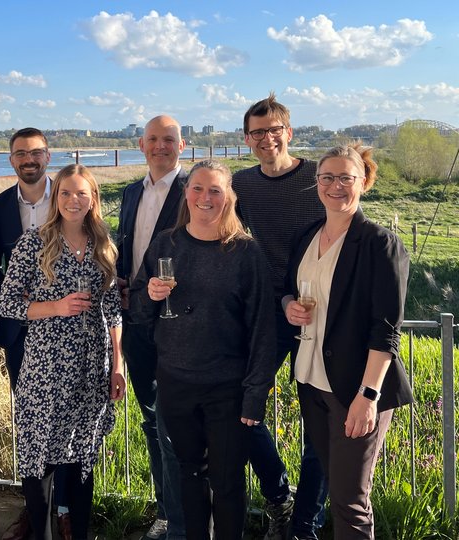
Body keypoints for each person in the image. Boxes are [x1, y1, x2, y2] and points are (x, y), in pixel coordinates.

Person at [130, 159, 276, 539]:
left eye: (215, 190)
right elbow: (139, 313)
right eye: (197, 188)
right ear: (186, 193)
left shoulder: (245, 253)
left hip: (227, 388)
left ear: (229, 197)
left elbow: (263, 329)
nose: (205, 197)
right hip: (175, 384)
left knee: (227, 483)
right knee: (189, 475)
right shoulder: (166, 243)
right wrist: (149, 295)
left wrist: (255, 395)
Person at [283, 143, 412, 539]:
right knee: (334, 483)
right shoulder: (306, 235)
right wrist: (289, 305)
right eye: (327, 177)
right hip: (311, 381)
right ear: (316, 182)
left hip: (355, 388)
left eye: (345, 178)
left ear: (363, 182)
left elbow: (386, 329)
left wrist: (368, 395)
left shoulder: (379, 244)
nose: (335, 186)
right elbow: (287, 289)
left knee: (349, 500)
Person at [0, 163, 125, 540]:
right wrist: (56, 306)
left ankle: (79, 533)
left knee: (82, 460)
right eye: (66, 193)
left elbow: (113, 309)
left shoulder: (103, 243)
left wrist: (117, 365)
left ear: (93, 199)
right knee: (40, 459)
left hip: (92, 368)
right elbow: (7, 303)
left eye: (81, 193)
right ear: (56, 198)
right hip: (46, 368)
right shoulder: (34, 242)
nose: (73, 200)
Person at [232, 92, 328, 540]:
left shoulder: (318, 176)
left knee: (320, 422)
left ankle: (306, 524)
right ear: (247, 139)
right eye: (257, 132)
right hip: (265, 314)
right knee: (241, 406)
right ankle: (278, 498)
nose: (266, 139)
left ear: (288, 132)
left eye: (274, 130)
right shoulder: (241, 184)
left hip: (316, 312)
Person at [0, 127, 72, 540]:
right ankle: (35, 510)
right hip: (22, 332)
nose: (29, 159)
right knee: (33, 427)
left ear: (48, 156)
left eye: (36, 152)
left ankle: (65, 509)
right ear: (11, 160)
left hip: (71, 333)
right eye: (21, 153)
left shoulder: (68, 196)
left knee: (69, 423)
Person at [116, 114, 186, 540]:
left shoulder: (194, 191)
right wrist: (122, 281)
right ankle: (166, 512)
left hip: (179, 326)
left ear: (182, 145)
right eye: (153, 139)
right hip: (136, 324)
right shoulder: (130, 193)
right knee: (150, 422)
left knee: (176, 427)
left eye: (169, 139)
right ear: (141, 145)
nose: (161, 146)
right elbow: (127, 251)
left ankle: (184, 521)